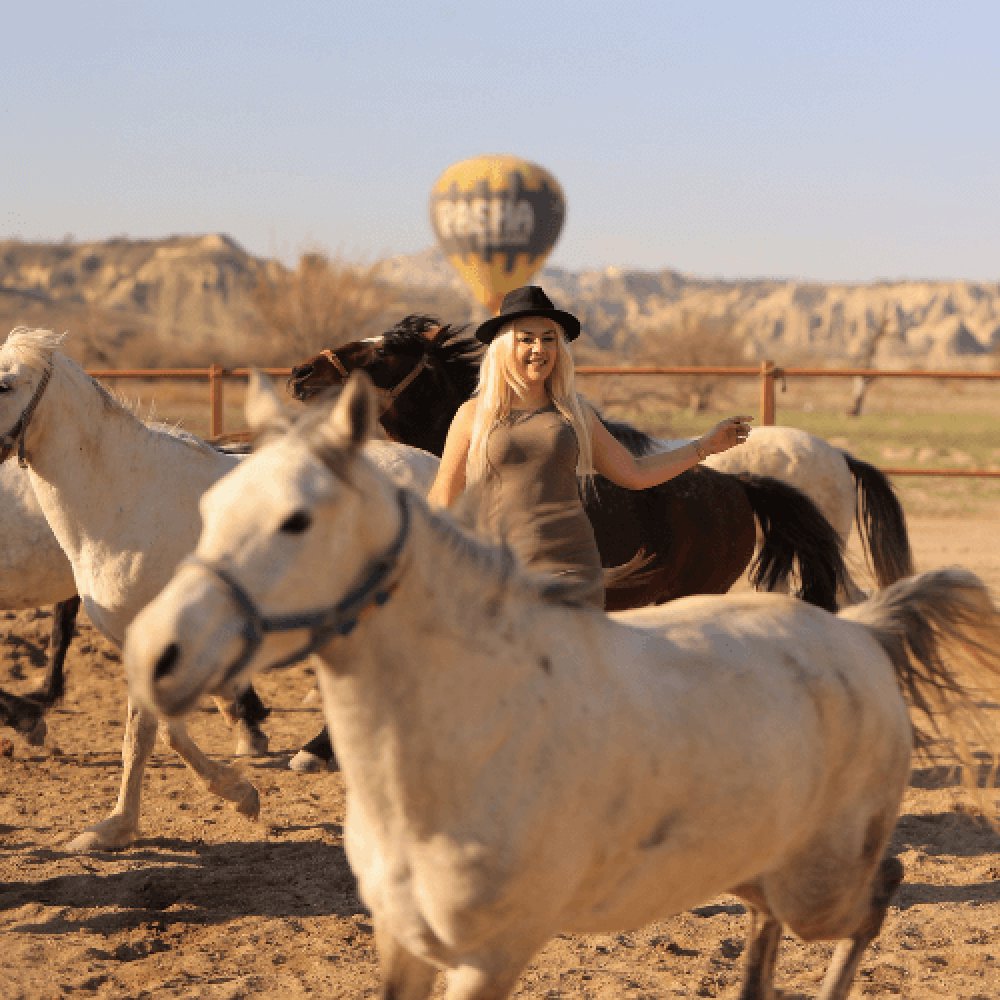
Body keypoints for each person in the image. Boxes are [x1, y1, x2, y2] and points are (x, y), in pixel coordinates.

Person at [426, 285, 753, 609]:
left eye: (549, 339)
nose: (539, 349)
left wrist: (703, 447)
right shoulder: (473, 414)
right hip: (493, 567)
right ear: (503, 347)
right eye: (526, 338)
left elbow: (634, 473)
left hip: (569, 569)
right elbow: (443, 494)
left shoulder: (574, 411)